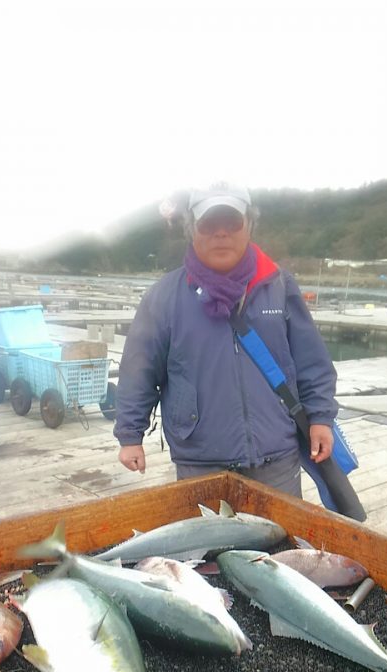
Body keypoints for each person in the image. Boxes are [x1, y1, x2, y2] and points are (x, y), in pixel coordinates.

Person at [114, 182, 337, 497]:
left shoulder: (280, 286)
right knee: (206, 547)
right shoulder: (163, 296)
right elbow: (139, 370)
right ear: (192, 230)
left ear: (249, 227)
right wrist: (130, 436)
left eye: (231, 222)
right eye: (208, 223)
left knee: (281, 542)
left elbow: (311, 360)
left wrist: (320, 418)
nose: (221, 233)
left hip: (277, 457)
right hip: (200, 460)